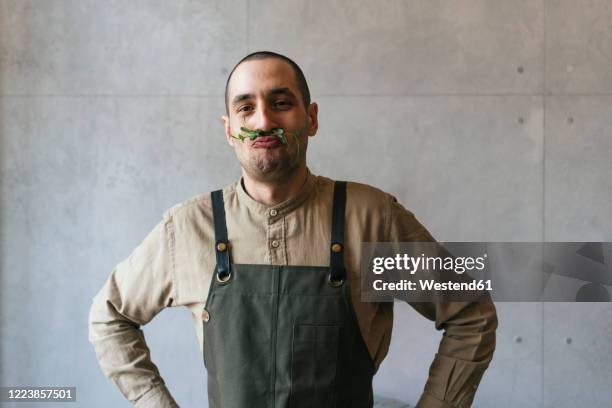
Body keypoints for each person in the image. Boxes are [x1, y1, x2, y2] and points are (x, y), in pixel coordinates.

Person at [88, 51, 498, 408]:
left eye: (280, 102)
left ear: (312, 117)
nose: (264, 120)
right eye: (246, 107)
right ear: (229, 128)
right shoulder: (190, 227)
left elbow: (470, 313)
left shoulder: (371, 219)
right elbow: (110, 318)